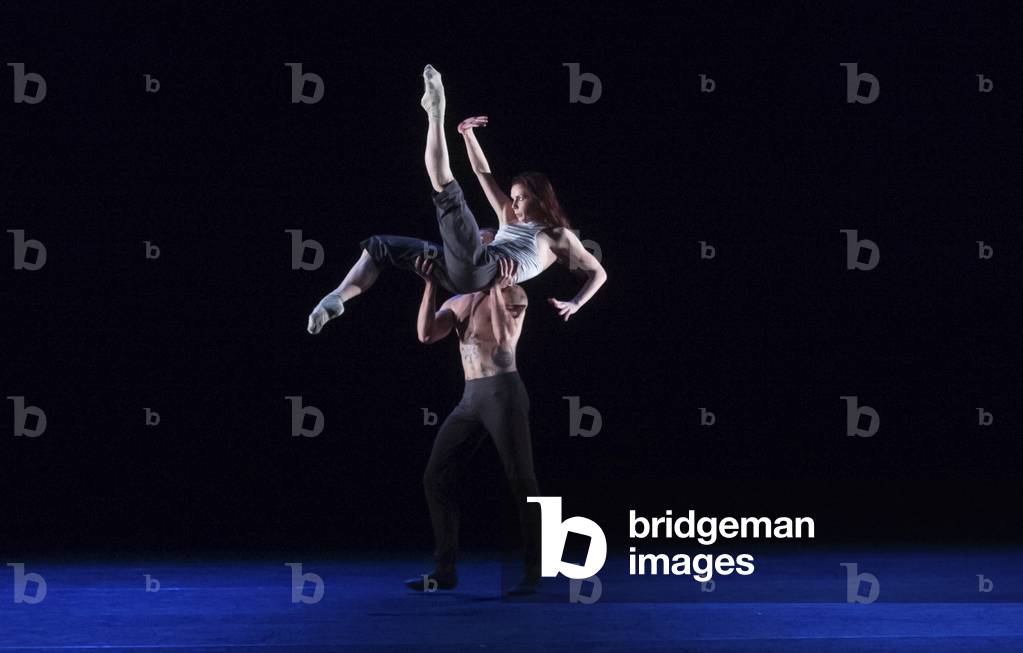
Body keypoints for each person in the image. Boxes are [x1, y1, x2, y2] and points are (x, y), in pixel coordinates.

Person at [306, 64, 607, 335]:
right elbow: (482, 172)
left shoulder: (557, 236)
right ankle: (335, 299)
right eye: (513, 197)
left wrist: (575, 304)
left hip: (485, 269)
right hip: (458, 272)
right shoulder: (507, 215)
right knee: (380, 247)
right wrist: (467, 135)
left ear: (541, 199)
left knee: (446, 190)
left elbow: (598, 272)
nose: (513, 204)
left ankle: (435, 112)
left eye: (521, 198)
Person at [402, 244, 542, 596]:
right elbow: (425, 335)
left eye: (485, 250)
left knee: (522, 482)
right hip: (470, 398)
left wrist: (496, 287)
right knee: (435, 476)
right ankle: (444, 570)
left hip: (503, 392)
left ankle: (534, 571)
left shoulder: (515, 293)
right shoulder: (458, 300)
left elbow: (505, 345)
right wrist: (430, 285)